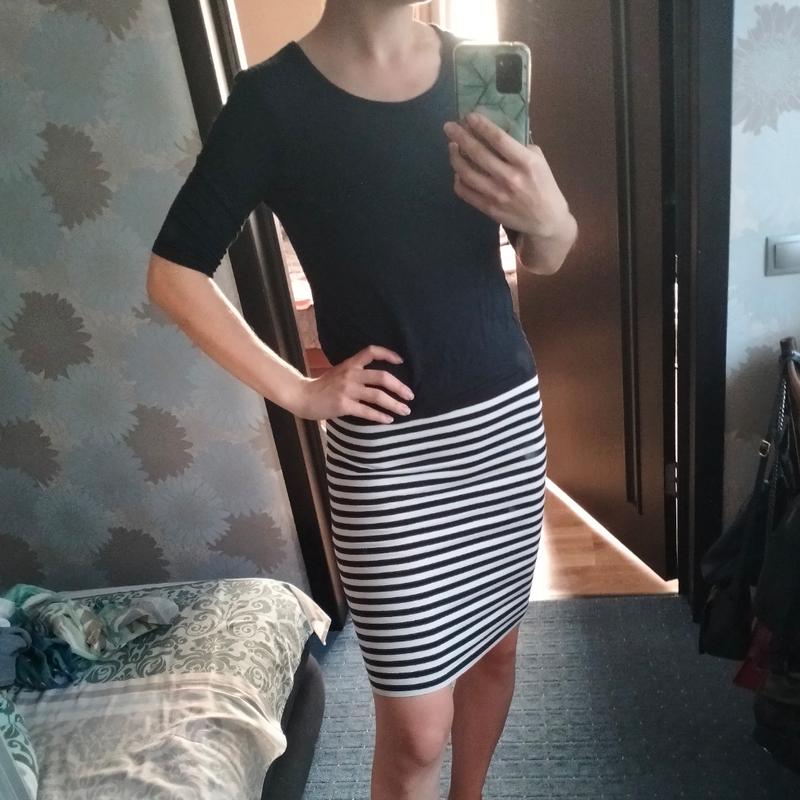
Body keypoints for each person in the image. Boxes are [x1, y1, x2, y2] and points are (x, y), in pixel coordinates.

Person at [148, 1, 577, 798]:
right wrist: (299, 389)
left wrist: (554, 219)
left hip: (505, 427)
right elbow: (174, 273)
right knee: (415, 732)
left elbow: (544, 256)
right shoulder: (271, 102)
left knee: (498, 651)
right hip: (385, 455)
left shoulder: (474, 75)